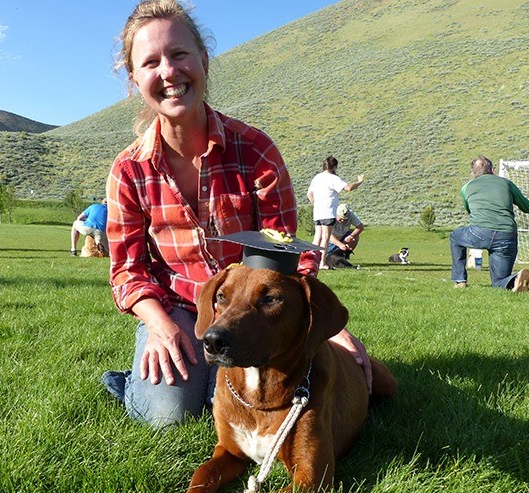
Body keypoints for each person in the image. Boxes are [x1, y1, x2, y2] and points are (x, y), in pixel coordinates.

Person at [100, 0, 370, 428]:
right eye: (150, 62)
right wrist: (158, 324)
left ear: (204, 61)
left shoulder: (256, 151)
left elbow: (289, 254)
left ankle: (202, 377)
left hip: (248, 313)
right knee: (167, 416)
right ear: (134, 80)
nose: (169, 72)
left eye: (180, 54)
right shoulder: (128, 170)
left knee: (242, 403)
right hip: (177, 310)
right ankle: (129, 383)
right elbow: (127, 271)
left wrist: (326, 329)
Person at [450, 155, 529, 291]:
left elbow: (470, 211)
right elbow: (528, 208)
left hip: (479, 233)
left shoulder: (466, 188)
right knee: (498, 282)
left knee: (455, 236)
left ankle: (460, 280)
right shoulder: (506, 183)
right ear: (493, 170)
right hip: (507, 235)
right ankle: (515, 278)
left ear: (473, 173)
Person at [307, 156, 364, 270]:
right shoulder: (333, 178)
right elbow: (348, 188)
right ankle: (322, 263)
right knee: (326, 238)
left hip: (317, 211)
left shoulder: (317, 178)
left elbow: (309, 194)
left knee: (317, 237)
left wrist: (316, 203)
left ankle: (311, 261)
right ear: (334, 167)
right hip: (328, 211)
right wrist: (359, 181)